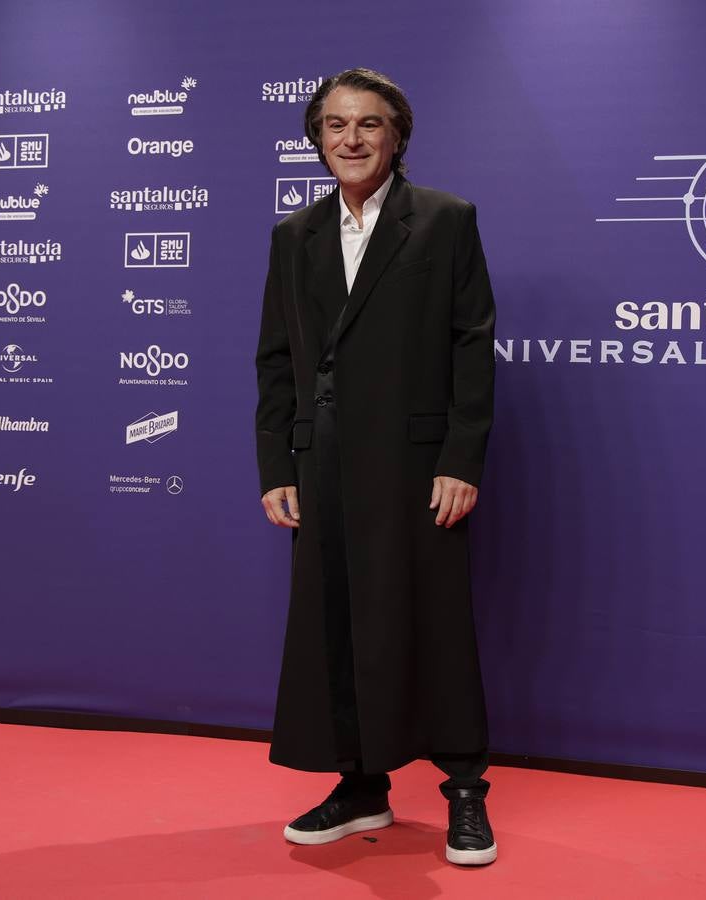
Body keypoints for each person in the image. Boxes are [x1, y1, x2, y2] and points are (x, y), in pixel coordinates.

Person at [254, 67, 497, 866]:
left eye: (367, 124)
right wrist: (278, 463)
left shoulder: (443, 220)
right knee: (335, 625)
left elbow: (471, 345)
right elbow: (279, 359)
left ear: (397, 136)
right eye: (333, 125)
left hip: (420, 463)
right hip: (323, 462)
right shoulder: (295, 236)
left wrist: (461, 456)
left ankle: (465, 793)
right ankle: (361, 787)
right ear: (315, 139)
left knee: (434, 626)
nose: (349, 139)